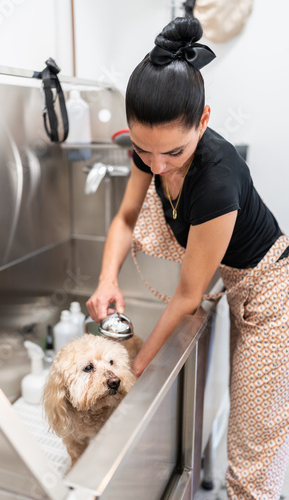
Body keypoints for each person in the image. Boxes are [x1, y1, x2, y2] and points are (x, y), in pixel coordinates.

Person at [86, 16, 289, 499]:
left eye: (173, 152)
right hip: (236, 287)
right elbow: (125, 218)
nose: (156, 165)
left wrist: (131, 375)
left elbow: (186, 297)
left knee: (252, 467)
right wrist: (105, 280)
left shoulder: (218, 180)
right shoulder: (151, 151)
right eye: (143, 150)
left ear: (203, 120)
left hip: (274, 298)